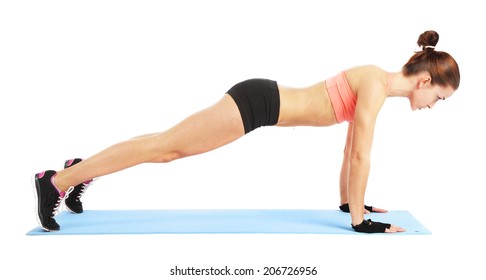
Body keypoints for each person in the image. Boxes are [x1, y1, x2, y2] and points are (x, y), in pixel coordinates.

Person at [33, 30, 460, 233]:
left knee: (163, 142)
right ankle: (55, 182)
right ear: (424, 81)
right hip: (256, 104)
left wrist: (352, 203)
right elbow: (362, 155)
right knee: (166, 149)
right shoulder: (373, 83)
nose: (433, 106)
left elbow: (351, 151)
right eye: (439, 98)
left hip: (260, 101)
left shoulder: (375, 86)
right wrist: (359, 222)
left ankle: (79, 168)